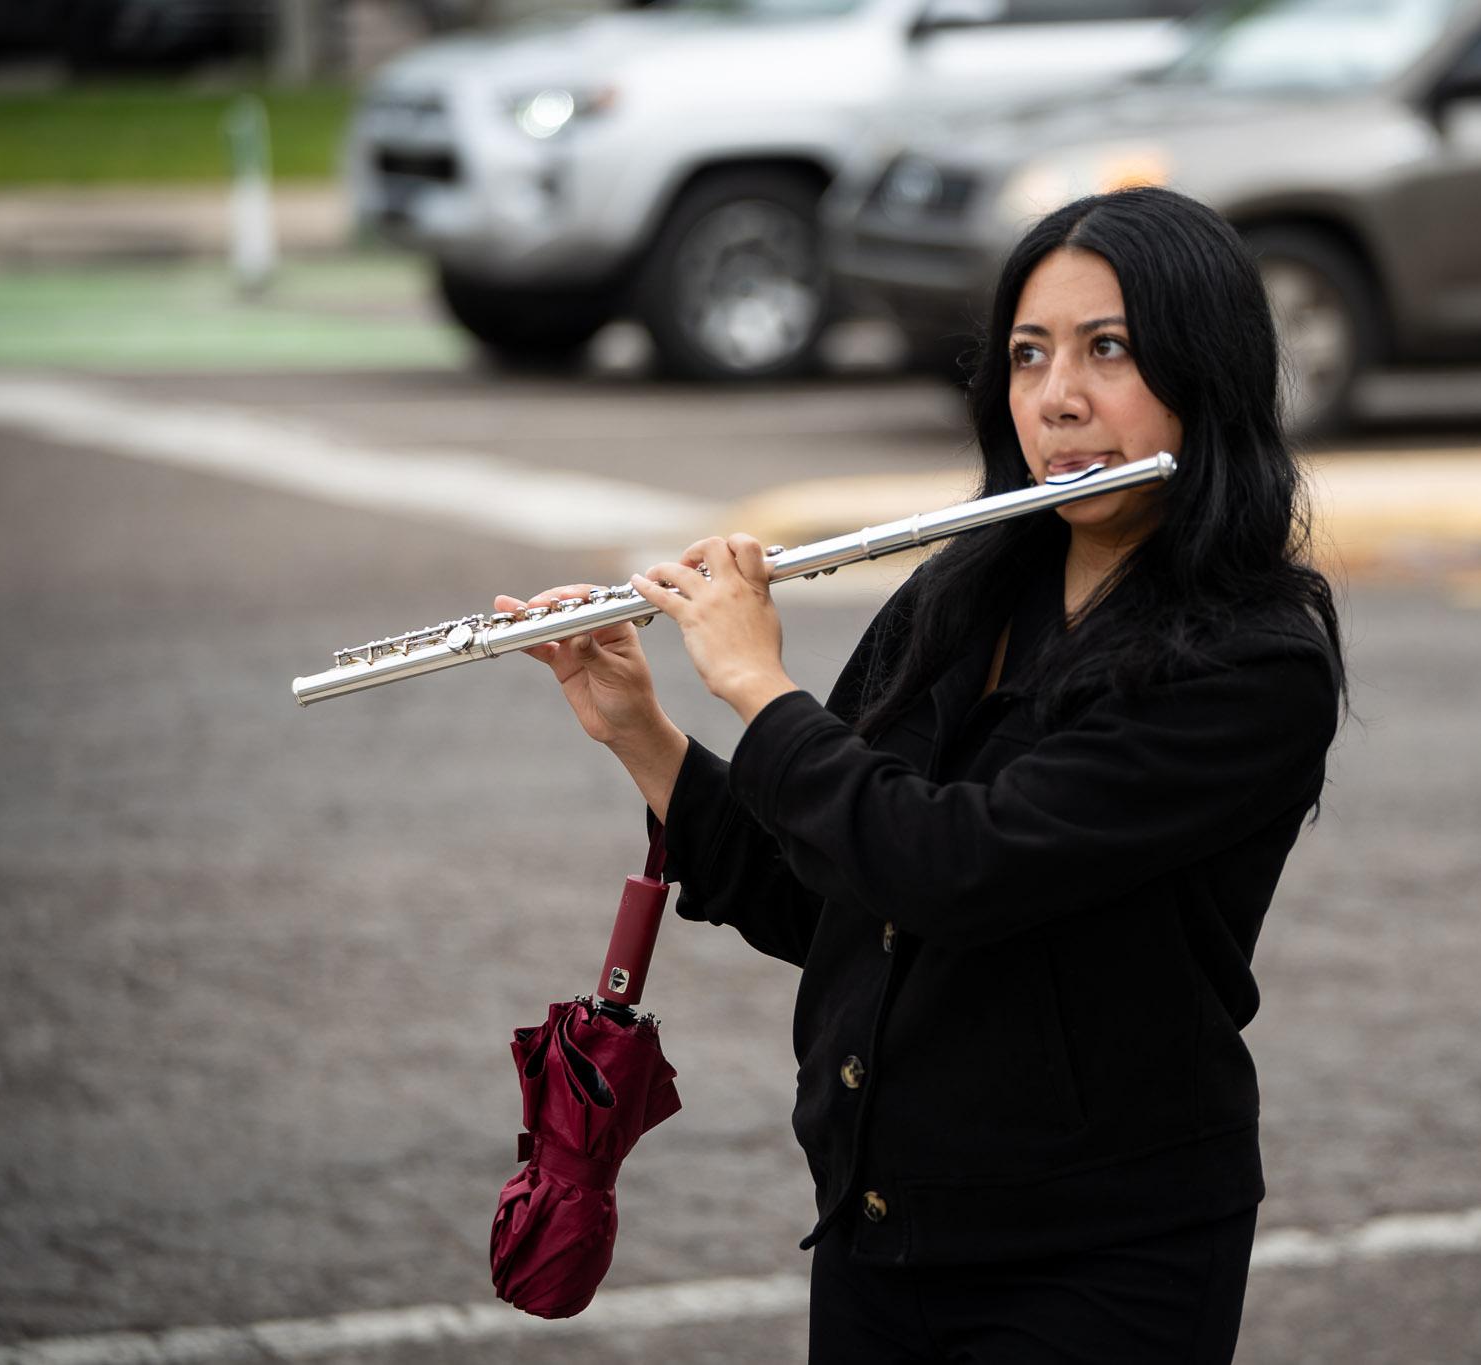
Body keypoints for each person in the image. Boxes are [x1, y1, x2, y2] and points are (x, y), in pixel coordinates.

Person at [506, 186, 1346, 1363]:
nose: (1058, 398)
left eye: (1107, 349)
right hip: (880, 1232)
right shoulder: (962, 595)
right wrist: (639, 730)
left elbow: (957, 868)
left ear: (1203, 370)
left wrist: (759, 687)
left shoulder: (1252, 660)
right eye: (1027, 355)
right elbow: (831, 889)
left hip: (1102, 1262)